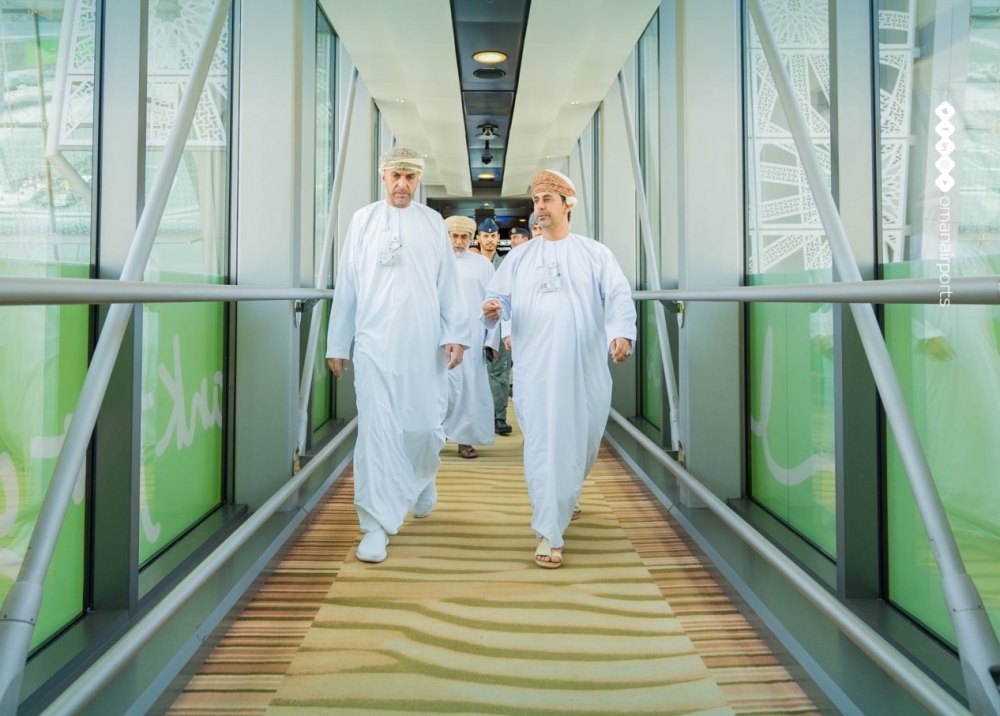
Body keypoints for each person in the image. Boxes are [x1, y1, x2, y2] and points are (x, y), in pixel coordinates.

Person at [482, 169, 636, 569]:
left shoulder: (594, 253)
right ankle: (550, 531)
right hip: (536, 368)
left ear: (568, 205)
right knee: (545, 444)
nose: (539, 208)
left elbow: (618, 295)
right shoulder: (519, 256)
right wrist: (493, 311)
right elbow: (497, 297)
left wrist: (621, 333)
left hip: (584, 365)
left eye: (547, 200)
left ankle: (568, 491)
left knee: (583, 440)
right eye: (535, 201)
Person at [326, 147, 468, 564]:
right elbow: (347, 285)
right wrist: (338, 343)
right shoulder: (363, 221)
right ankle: (374, 524)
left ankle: (422, 476)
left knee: (424, 426)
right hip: (373, 343)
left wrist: (455, 334)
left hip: (423, 343)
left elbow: (448, 286)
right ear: (382, 177)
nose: (402, 184)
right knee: (376, 431)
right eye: (395, 176)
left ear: (418, 180)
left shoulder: (430, 225)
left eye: (410, 176)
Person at [442, 215, 498, 459]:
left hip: (473, 337)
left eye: (464, 236)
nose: (459, 241)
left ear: (472, 238)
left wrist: (491, 340)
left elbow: (494, 304)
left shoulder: (483, 265)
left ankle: (464, 440)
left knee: (468, 389)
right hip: (439, 335)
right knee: (439, 387)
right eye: (454, 236)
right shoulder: (433, 262)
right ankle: (435, 436)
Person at [476, 218, 512, 435]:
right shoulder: (470, 263)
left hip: (498, 324)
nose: (489, 240)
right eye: (485, 236)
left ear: (498, 238)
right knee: (473, 372)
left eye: (493, 236)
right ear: (478, 238)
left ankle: (499, 417)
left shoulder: (506, 264)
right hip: (475, 324)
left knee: (499, 371)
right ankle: (477, 416)